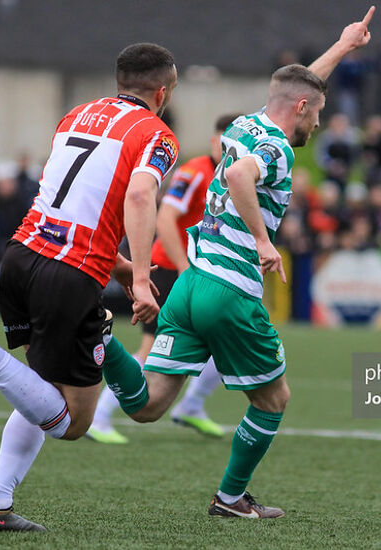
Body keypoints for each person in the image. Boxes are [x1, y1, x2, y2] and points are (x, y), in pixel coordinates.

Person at [98, 6, 376, 519]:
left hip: (192, 284)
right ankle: (230, 498)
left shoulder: (250, 123)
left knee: (147, 406)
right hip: (231, 291)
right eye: (316, 112)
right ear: (300, 109)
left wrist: (343, 45)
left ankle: (97, 342)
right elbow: (240, 178)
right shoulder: (277, 148)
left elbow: (300, 86)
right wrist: (263, 241)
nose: (318, 119)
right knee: (273, 400)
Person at [0, 43, 179, 531]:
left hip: (21, 255)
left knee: (40, 388)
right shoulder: (158, 135)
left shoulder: (74, 115)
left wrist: (116, 266)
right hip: (70, 275)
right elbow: (141, 194)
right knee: (74, 422)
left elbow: (70, 199)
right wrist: (141, 276)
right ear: (163, 91)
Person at [87, 114, 241, 444]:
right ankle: (99, 416)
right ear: (214, 142)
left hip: (201, 272)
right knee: (152, 347)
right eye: (223, 141)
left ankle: (192, 405)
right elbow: (166, 219)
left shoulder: (230, 175)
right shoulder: (194, 172)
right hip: (172, 270)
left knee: (227, 336)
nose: (229, 148)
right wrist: (186, 268)